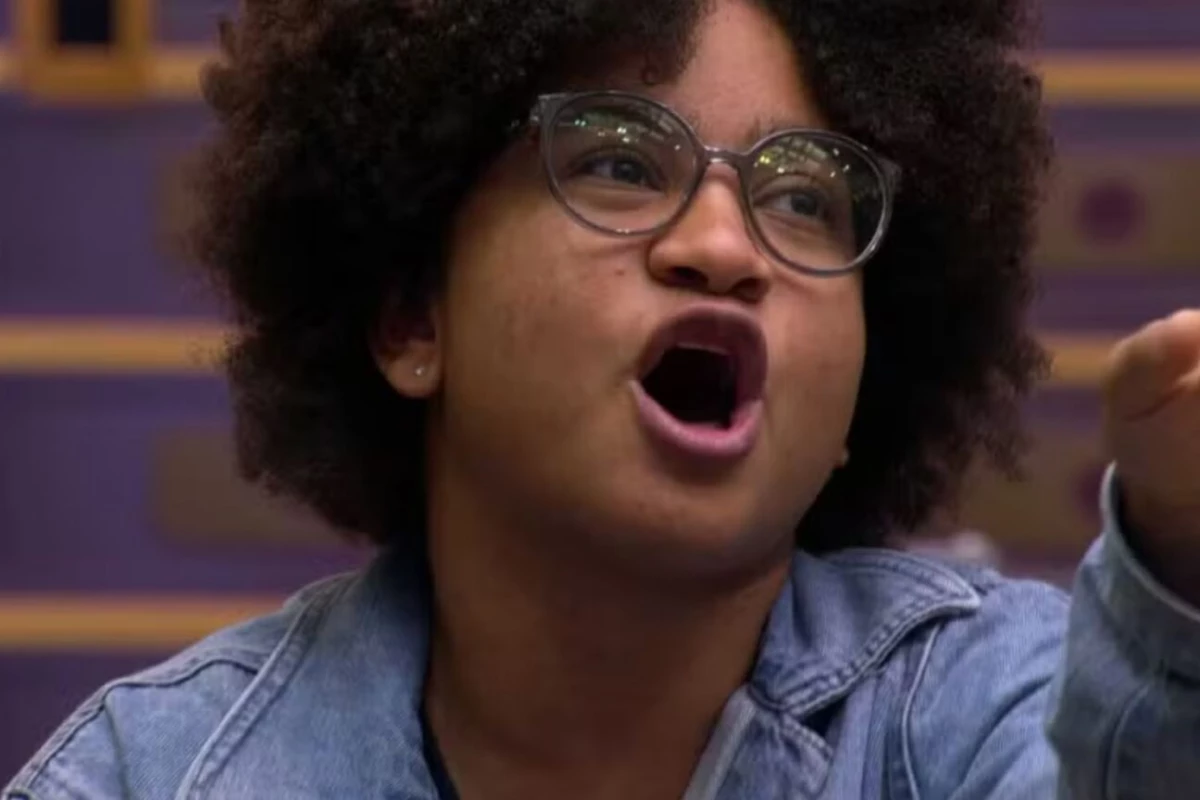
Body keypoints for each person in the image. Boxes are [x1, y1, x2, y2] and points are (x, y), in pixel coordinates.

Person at [7, 0, 1200, 797]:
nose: (726, 246)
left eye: (804, 197)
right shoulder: (154, 774)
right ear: (414, 320)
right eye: (621, 162)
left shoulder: (983, 715)